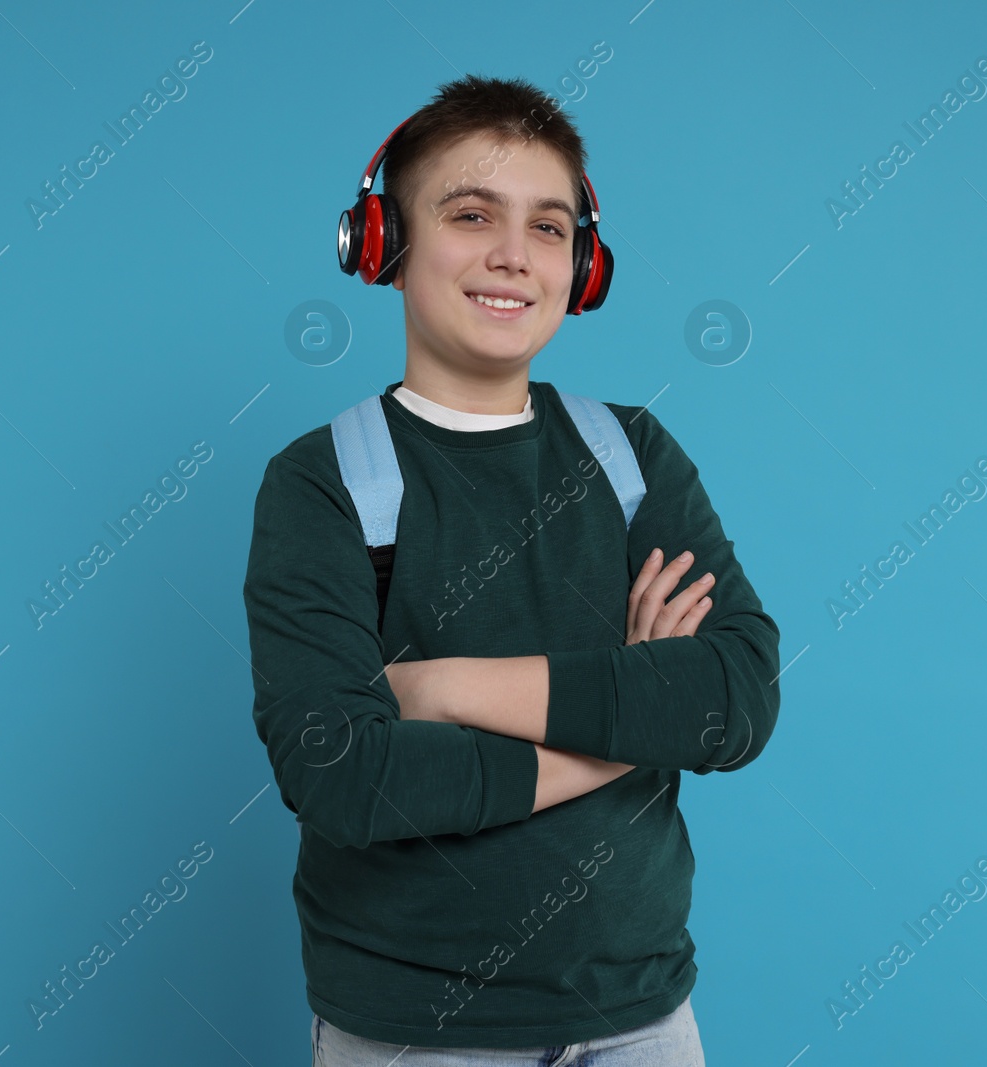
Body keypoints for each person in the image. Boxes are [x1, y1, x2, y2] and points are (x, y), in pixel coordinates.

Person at [243, 74, 781, 1065]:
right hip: (412, 1030)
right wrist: (624, 720)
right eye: (470, 214)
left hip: (643, 1016)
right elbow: (346, 772)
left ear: (584, 266)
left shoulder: (632, 455)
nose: (511, 255)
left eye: (548, 226)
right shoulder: (322, 483)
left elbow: (731, 699)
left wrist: (436, 686)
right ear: (383, 246)